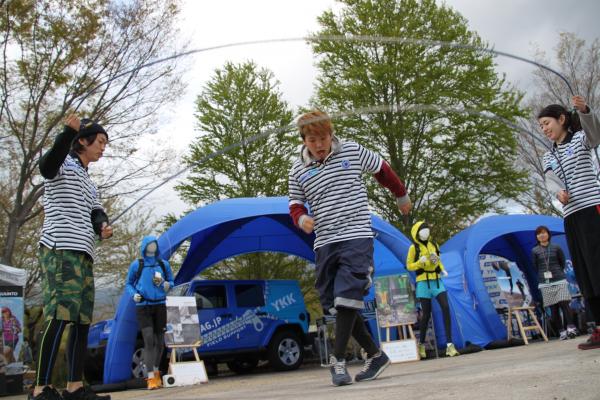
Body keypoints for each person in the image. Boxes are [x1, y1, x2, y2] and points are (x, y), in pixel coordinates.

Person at [288, 110, 411, 386]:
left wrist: (401, 194)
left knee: (347, 294)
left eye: (323, 138)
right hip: (324, 243)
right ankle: (375, 354)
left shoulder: (352, 151)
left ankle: (337, 359)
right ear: (304, 140)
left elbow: (382, 169)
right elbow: (295, 204)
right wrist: (302, 218)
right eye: (312, 139)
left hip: (356, 235)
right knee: (335, 304)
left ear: (331, 134)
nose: (318, 144)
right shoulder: (297, 169)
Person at [32, 114, 113, 400]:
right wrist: (67, 132)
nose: (103, 148)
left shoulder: (90, 182)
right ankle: (40, 388)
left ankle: (75, 387)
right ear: (83, 141)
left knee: (80, 321)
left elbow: (95, 211)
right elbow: (46, 165)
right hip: (59, 249)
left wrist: (102, 225)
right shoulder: (62, 164)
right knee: (59, 315)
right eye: (100, 142)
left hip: (84, 253)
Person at [538, 95, 600, 350]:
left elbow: (595, 135)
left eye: (546, 123)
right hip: (571, 217)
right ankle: (598, 327)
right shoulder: (547, 156)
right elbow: (551, 181)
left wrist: (585, 111)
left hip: (592, 211)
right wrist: (558, 193)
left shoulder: (579, 139)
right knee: (585, 273)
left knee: (598, 267)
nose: (544, 129)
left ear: (562, 119)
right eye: (540, 126)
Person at [125, 236, 174, 390]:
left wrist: (165, 284)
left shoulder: (163, 264)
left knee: (160, 343)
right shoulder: (137, 265)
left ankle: (156, 372)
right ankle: (151, 377)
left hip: (160, 306)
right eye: (150, 244)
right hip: (143, 307)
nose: (152, 246)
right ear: (144, 246)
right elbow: (128, 284)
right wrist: (134, 295)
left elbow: (171, 282)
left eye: (154, 244)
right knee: (148, 340)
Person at [406, 221, 459, 359]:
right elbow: (409, 265)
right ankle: (422, 344)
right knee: (426, 314)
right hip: (423, 283)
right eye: (423, 230)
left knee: (446, 307)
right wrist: (419, 262)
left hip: (436, 281)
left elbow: (438, 260)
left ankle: (449, 345)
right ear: (417, 233)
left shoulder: (434, 245)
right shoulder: (413, 248)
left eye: (427, 230)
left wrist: (441, 267)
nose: (426, 232)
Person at [531, 226, 577, 340]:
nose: (541, 235)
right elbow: (535, 266)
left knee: (564, 303)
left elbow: (562, 263)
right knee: (553, 308)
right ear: (537, 237)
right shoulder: (534, 250)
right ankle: (562, 332)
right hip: (545, 283)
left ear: (548, 234)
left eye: (544, 233)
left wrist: (557, 272)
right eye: (539, 234)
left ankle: (571, 328)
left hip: (559, 279)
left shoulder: (556, 247)